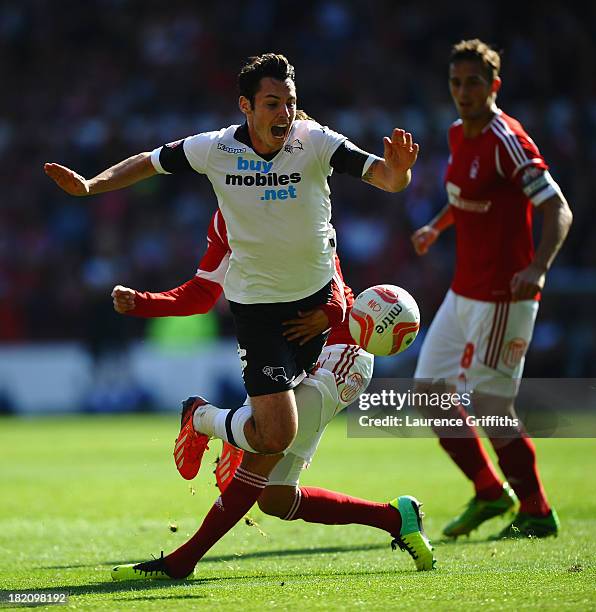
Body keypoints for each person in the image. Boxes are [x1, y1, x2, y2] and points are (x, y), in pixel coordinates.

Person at [45, 53, 418, 470]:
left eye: (290, 102)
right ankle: (201, 417)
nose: (285, 113)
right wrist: (93, 186)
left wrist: (399, 173)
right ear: (247, 106)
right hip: (258, 311)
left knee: (267, 448)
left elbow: (385, 177)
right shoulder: (216, 151)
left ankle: (224, 435)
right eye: (273, 103)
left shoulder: (314, 142)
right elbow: (150, 162)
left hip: (313, 307)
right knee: (275, 437)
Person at [108, 210, 436, 579]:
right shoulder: (225, 220)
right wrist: (145, 302)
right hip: (286, 351)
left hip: (340, 351)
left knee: (262, 452)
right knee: (275, 498)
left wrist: (331, 310)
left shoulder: (297, 191)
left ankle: (199, 429)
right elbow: (202, 294)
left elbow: (333, 270)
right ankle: (395, 517)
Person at [410, 39, 572, 539]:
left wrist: (539, 266)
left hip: (504, 295)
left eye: (473, 82)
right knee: (428, 391)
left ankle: (537, 510)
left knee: (491, 405)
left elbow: (557, 208)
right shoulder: (460, 134)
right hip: (464, 291)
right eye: (456, 83)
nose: (463, 91)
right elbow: (465, 197)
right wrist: (437, 227)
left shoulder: (508, 139)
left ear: (493, 85)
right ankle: (487, 491)